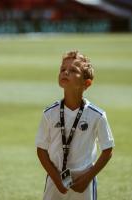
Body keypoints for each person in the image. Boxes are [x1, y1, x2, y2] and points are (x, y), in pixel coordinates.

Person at [35, 50, 115, 200]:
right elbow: (41, 150)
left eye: (73, 70)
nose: (65, 72)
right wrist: (57, 179)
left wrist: (87, 178)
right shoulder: (49, 113)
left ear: (86, 83)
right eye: (63, 69)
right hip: (55, 177)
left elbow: (108, 149)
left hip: (83, 181)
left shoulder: (97, 115)